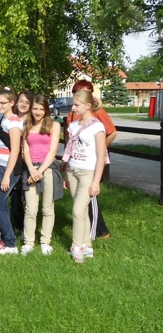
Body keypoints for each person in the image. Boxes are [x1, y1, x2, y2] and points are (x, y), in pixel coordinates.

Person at [64, 79, 115, 240]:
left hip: (89, 165)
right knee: (82, 205)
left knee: (89, 202)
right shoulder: (73, 115)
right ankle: (87, 239)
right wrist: (66, 161)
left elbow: (112, 132)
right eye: (77, 91)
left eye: (86, 91)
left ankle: (99, 231)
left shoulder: (97, 113)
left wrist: (98, 149)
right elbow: (70, 139)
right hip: (74, 164)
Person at [62, 91, 107, 263]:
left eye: (76, 105)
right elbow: (70, 150)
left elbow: (101, 156)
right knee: (82, 211)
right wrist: (66, 174)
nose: (73, 108)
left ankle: (77, 247)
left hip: (88, 173)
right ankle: (87, 246)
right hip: (73, 171)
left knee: (77, 211)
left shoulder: (97, 127)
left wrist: (96, 181)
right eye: (73, 104)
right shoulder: (73, 125)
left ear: (88, 106)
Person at [20, 95, 62, 256]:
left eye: (41, 109)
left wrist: (40, 171)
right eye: (35, 109)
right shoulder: (27, 125)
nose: (37, 112)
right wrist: (32, 170)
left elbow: (52, 151)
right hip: (31, 169)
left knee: (47, 208)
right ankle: (28, 242)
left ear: (46, 110)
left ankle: (45, 241)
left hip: (48, 169)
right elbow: (25, 151)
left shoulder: (54, 125)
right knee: (30, 209)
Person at [0, 87, 23, 255]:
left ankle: (10, 244)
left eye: (3, 103)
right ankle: (4, 238)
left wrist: (7, 176)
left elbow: (15, 150)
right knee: (0, 204)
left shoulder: (14, 122)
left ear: (12, 103)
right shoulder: (1, 119)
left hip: (8, 168)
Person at [10, 90, 34, 233]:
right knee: (15, 196)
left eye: (27, 102)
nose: (23, 104)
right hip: (13, 160)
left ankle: (29, 227)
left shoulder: (33, 121)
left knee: (28, 196)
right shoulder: (11, 119)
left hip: (28, 161)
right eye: (21, 101)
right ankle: (18, 227)